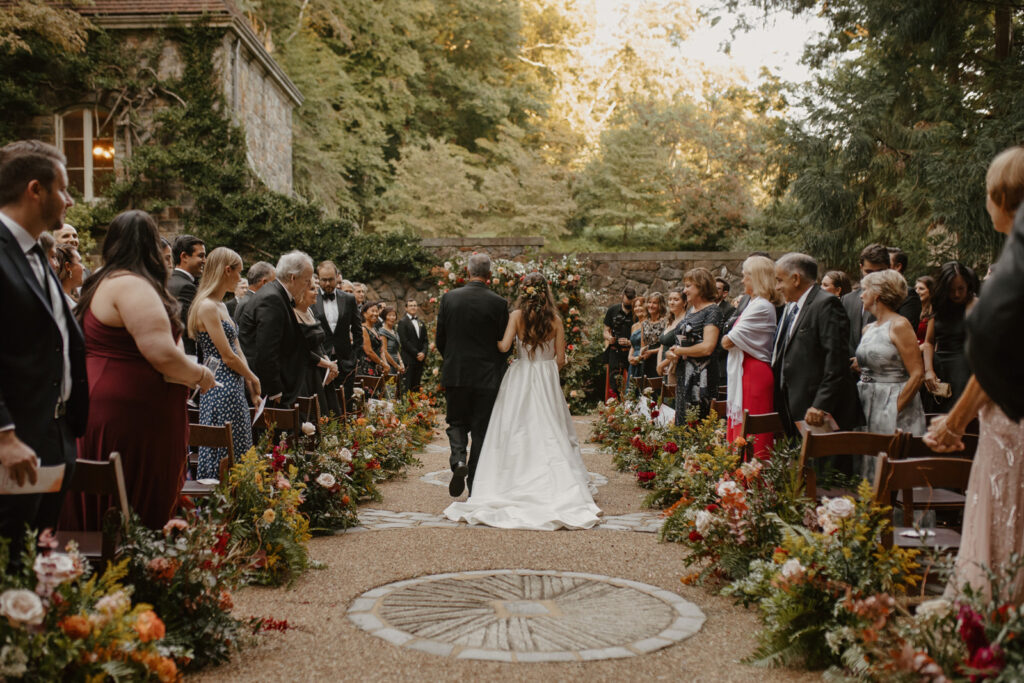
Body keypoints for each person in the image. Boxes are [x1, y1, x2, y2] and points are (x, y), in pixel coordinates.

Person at [64, 210, 215, 531]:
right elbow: (161, 354)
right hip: (133, 416)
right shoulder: (132, 285)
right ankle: (138, 559)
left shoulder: (100, 283)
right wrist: (201, 375)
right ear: (149, 246)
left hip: (105, 405)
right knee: (136, 502)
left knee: (110, 501)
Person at [926, 145, 1024, 603]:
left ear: (1002, 196)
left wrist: (954, 420)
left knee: (1005, 518)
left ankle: (994, 616)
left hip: (1010, 421)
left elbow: (1000, 351)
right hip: (1000, 416)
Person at [444, 272, 601, 530]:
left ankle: (509, 479)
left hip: (519, 377)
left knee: (514, 428)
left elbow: (504, 347)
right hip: (545, 379)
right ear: (545, 292)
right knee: (550, 429)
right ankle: (553, 481)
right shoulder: (556, 319)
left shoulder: (516, 316)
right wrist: (545, 373)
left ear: (524, 291)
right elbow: (561, 360)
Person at [0, 140, 87, 559]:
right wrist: (3, 435)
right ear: (35, 190)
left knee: (41, 555)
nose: (69, 200)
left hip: (55, 434)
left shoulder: (38, 252)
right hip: (14, 441)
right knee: (9, 557)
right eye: (63, 188)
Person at [435, 252, 510, 498]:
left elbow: (440, 339)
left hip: (456, 373)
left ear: (468, 272)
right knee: (480, 431)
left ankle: (458, 460)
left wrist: (452, 360)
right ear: (490, 274)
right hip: (487, 377)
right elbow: (504, 344)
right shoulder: (499, 303)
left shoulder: (449, 298)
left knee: (456, 422)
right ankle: (474, 484)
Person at [187, 247, 259, 479]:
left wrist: (249, 382)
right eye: (239, 272)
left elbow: (238, 348)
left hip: (234, 384)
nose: (240, 278)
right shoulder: (207, 306)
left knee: (239, 444)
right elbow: (227, 355)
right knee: (224, 448)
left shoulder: (221, 305)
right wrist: (252, 376)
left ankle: (241, 495)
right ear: (227, 270)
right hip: (219, 386)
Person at [773, 253, 863, 436]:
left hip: (821, 412)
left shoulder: (826, 304)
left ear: (796, 279)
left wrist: (821, 405)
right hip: (798, 408)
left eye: (780, 280)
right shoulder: (796, 307)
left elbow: (836, 360)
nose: (777, 287)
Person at [854, 270, 926, 441]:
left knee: (890, 453)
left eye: (865, 290)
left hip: (892, 401)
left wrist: (893, 409)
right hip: (866, 401)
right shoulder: (868, 328)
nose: (861, 295)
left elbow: (917, 374)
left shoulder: (899, 325)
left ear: (877, 294)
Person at [237, 250, 313, 408]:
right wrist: (275, 390)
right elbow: (266, 349)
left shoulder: (275, 293)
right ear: (293, 278)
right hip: (265, 389)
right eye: (306, 281)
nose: (308, 286)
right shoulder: (272, 298)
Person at [721, 256, 778, 456]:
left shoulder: (762, 306)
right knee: (740, 428)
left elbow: (727, 341)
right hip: (744, 370)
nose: (742, 280)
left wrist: (729, 338)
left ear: (757, 278)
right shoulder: (753, 304)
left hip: (753, 373)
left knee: (751, 432)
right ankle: (736, 473)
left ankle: (751, 472)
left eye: (746, 276)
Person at [665, 268, 723, 423]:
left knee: (696, 424)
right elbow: (682, 342)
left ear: (701, 286)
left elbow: (707, 347)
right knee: (682, 423)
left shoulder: (713, 311)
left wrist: (679, 350)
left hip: (702, 379)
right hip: (684, 375)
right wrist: (672, 353)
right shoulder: (691, 310)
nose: (684, 291)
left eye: (688, 286)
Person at [922, 261, 978, 410]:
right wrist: (928, 370)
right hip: (938, 366)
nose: (956, 294)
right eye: (951, 290)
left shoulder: (975, 305)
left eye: (961, 288)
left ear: (968, 285)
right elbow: (928, 342)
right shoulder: (938, 304)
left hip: (964, 366)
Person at [310, 261, 360, 412]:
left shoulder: (349, 299)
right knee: (325, 406)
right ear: (318, 278)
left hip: (346, 361)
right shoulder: (311, 299)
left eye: (331, 279)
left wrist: (355, 358)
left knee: (347, 404)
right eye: (323, 280)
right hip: (321, 362)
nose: (327, 283)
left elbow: (357, 330)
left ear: (337, 277)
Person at [294, 274, 340, 420]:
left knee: (328, 415)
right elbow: (301, 350)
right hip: (305, 373)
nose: (316, 292)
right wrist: (327, 364)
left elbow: (319, 342)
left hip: (321, 368)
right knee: (313, 416)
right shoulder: (292, 314)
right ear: (300, 291)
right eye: (312, 289)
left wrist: (329, 364)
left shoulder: (310, 310)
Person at [841, 244, 891, 357]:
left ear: (888, 269)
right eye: (868, 272)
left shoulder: (901, 298)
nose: (873, 277)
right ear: (861, 268)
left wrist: (864, 360)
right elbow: (842, 337)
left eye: (879, 272)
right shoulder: (847, 300)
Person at [168, 234, 206, 356]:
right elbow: (188, 330)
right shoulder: (186, 287)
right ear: (184, 256)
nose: (204, 260)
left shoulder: (168, 280)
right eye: (201, 256)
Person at [603, 286, 636, 398]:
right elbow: (605, 331)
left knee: (632, 383)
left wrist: (630, 342)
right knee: (614, 383)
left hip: (631, 352)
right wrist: (609, 338)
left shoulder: (637, 312)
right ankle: (614, 406)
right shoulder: (612, 310)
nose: (629, 302)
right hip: (615, 351)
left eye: (631, 299)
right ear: (622, 296)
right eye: (628, 299)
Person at [656, 289, 687, 389]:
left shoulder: (685, 321)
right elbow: (662, 346)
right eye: (669, 299)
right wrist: (659, 364)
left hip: (675, 366)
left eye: (676, 300)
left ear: (684, 303)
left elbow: (681, 347)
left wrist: (663, 364)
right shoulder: (670, 320)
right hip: (663, 366)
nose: (671, 302)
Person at [356, 302, 390, 390]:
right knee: (368, 394)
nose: (375, 314)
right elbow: (369, 351)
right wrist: (382, 364)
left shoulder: (375, 329)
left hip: (377, 367)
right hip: (365, 368)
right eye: (372, 311)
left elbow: (381, 349)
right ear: (364, 313)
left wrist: (385, 364)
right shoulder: (363, 329)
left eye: (377, 311)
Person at [397, 298, 428, 393]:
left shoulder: (421, 322)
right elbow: (404, 341)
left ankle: (416, 403)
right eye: (411, 306)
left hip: (419, 360)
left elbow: (425, 340)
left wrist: (423, 352)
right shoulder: (402, 322)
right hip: (408, 359)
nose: (413, 307)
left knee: (416, 387)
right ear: (406, 308)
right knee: (407, 387)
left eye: (415, 305)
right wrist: (417, 354)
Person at [641, 292, 667, 378]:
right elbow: (643, 344)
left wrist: (651, 352)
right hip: (646, 361)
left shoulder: (665, 322)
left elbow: (666, 346)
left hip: (660, 359)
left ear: (660, 305)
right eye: (649, 302)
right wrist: (643, 353)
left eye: (654, 303)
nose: (651, 305)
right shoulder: (644, 323)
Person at [625, 295, 648, 393]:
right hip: (633, 361)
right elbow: (632, 346)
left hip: (643, 359)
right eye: (635, 306)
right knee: (631, 391)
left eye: (640, 305)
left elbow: (647, 345)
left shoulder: (648, 323)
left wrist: (638, 358)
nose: (637, 308)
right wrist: (629, 357)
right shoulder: (634, 326)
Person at [379, 307, 405, 382]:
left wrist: (401, 362)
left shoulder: (394, 331)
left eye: (394, 315)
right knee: (390, 386)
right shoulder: (382, 332)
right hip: (388, 363)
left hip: (397, 363)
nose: (392, 317)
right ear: (384, 317)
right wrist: (396, 366)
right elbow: (384, 351)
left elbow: (397, 350)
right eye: (389, 315)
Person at [914, 275, 934, 344]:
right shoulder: (912, 309)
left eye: (921, 289)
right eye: (915, 289)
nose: (917, 291)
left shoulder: (933, 311)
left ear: (931, 291)